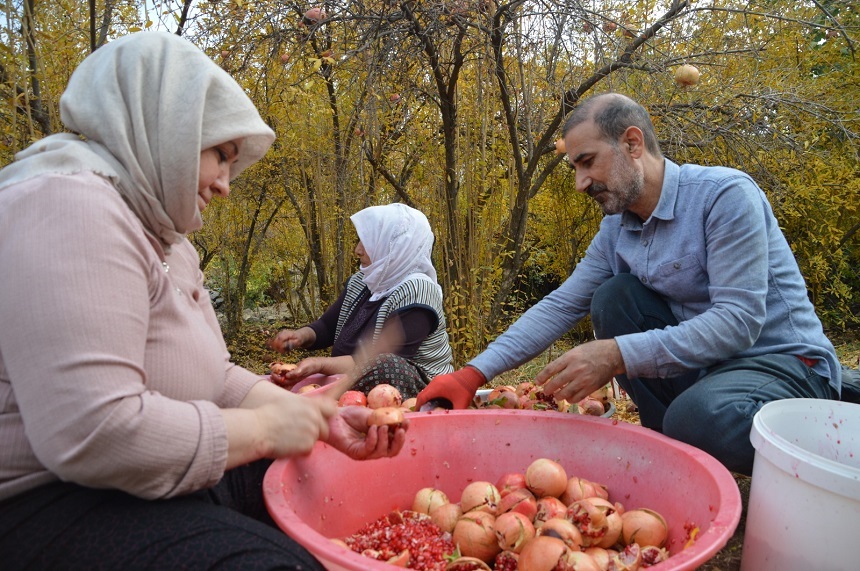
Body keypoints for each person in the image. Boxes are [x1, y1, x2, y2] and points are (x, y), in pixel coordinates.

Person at [0, 32, 408, 570]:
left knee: (319, 469)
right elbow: (93, 432)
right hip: (43, 502)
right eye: (220, 155)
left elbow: (213, 376)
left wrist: (309, 415)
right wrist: (265, 430)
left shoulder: (168, 240)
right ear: (163, 127)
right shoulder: (68, 204)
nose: (225, 185)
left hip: (131, 484)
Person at [415, 92, 851, 476]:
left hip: (783, 366)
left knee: (699, 418)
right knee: (613, 298)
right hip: (712, 374)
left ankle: (816, 440)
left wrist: (616, 354)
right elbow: (563, 304)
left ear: (632, 142)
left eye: (587, 162)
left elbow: (738, 323)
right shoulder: (619, 229)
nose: (580, 182)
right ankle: (673, 460)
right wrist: (474, 373)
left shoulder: (724, 196)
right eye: (574, 167)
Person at [269, 203, 455, 399]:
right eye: (360, 241)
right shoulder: (365, 280)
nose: (357, 250)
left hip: (418, 389)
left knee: (387, 364)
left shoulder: (418, 290)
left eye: (368, 242)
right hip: (355, 381)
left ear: (394, 245)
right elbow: (326, 326)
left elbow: (376, 363)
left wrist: (319, 364)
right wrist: (299, 336)